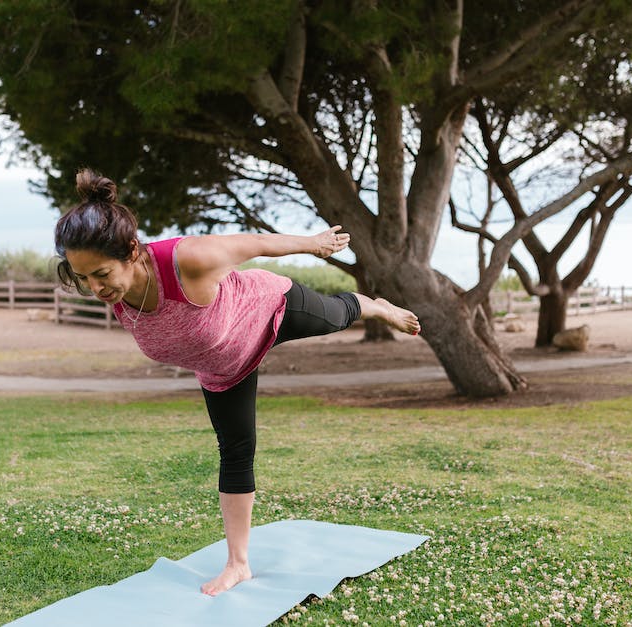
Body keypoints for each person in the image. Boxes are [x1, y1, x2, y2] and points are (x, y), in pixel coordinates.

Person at [54, 169, 421, 596]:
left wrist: (314, 243)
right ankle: (238, 565)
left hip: (270, 309)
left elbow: (255, 243)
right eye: (84, 278)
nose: (95, 287)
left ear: (132, 251)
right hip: (225, 369)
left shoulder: (188, 259)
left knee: (338, 316)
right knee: (236, 450)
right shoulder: (115, 292)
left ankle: (375, 306)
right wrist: (101, 282)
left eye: (101, 273)